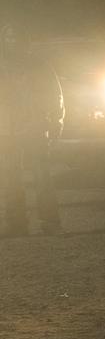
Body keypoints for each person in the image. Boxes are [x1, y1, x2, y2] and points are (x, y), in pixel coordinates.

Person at [0, 22, 63, 237]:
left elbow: (54, 95)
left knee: (41, 177)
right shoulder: (27, 64)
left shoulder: (39, 65)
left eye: (15, 37)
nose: (11, 41)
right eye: (8, 37)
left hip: (32, 127)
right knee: (11, 178)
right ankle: (18, 224)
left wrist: (56, 122)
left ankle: (48, 222)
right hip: (8, 129)